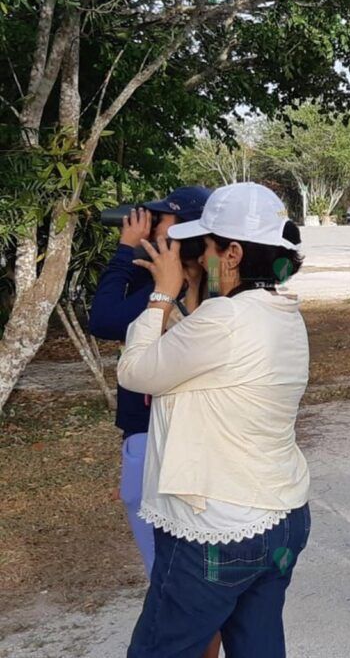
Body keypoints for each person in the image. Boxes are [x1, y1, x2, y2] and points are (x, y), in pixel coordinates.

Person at [118, 182, 311, 657]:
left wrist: (161, 295)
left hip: (219, 528)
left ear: (232, 253)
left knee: (160, 648)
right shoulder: (282, 312)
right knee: (259, 645)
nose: (198, 257)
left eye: (204, 246)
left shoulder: (223, 319)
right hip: (280, 517)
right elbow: (198, 360)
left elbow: (135, 371)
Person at [88, 187, 211, 577]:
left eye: (161, 221)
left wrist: (124, 251)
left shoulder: (160, 292)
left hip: (152, 429)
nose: (151, 227)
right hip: (184, 431)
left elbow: (104, 320)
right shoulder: (217, 288)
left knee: (165, 556)